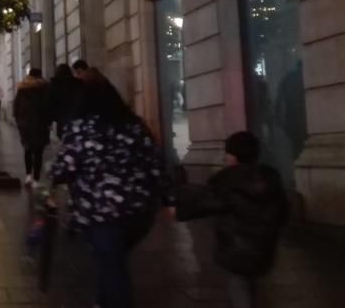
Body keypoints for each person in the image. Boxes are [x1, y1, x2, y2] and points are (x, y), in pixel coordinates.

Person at [50, 74, 171, 308]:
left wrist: (53, 174)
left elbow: (63, 169)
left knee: (113, 265)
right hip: (138, 211)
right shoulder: (134, 125)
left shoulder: (80, 128)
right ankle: (102, 301)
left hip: (100, 211)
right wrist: (170, 198)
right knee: (111, 260)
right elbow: (155, 164)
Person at [176, 131, 288, 308]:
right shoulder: (270, 177)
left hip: (236, 249)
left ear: (233, 156)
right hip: (263, 247)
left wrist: (179, 195)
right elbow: (283, 209)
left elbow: (205, 202)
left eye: (227, 153)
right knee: (249, 282)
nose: (225, 157)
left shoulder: (229, 180)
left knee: (238, 285)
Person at [13, 68, 50, 186]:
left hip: (25, 125)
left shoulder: (22, 89)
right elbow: (47, 106)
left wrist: (19, 121)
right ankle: (36, 179)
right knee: (38, 152)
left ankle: (28, 175)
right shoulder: (43, 88)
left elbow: (16, 107)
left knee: (27, 150)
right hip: (40, 124)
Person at [48, 64, 83, 139]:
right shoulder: (78, 83)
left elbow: (49, 103)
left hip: (61, 118)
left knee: (63, 137)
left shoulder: (53, 85)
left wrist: (49, 120)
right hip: (76, 116)